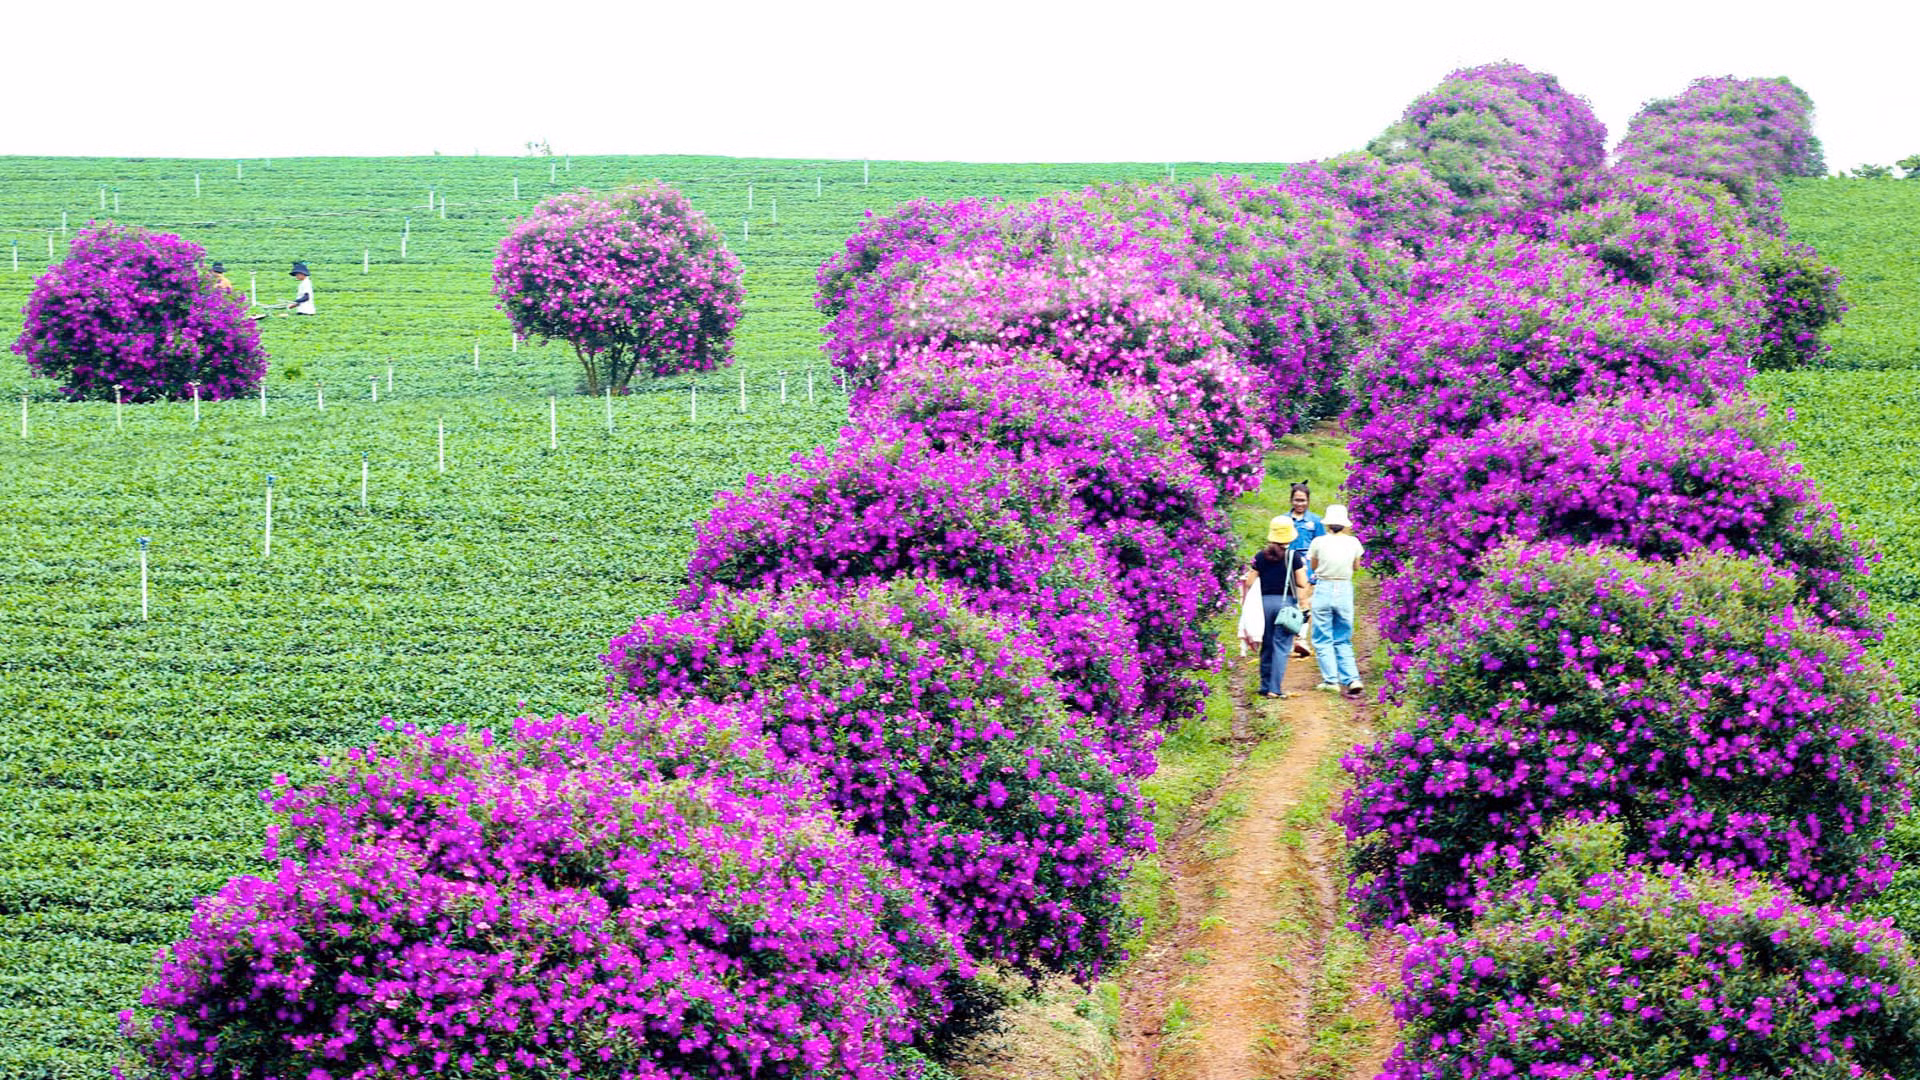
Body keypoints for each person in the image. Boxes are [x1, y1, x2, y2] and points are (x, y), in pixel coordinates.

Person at [1242, 516, 1309, 700]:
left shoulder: (1260, 556)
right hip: (1284, 605)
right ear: (1290, 537)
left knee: (1267, 645)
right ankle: (1275, 688)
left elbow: (1249, 581)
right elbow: (1302, 583)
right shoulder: (1293, 557)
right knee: (1281, 646)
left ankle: (1264, 686)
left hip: (1263, 605)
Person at [1306, 503, 1366, 699]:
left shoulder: (1318, 542)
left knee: (1323, 636)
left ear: (1327, 524)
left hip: (1324, 587)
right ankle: (1352, 679)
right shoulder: (1354, 543)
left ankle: (1330, 680)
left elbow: (1314, 566)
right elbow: (1356, 567)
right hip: (1344, 589)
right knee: (1343, 637)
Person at [1285, 482, 1327, 661]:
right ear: (1291, 500)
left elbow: (1321, 545)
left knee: (1303, 601)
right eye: (1296, 500)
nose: (1300, 504)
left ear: (1308, 501)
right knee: (1288, 602)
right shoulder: (1284, 520)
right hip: (1286, 563)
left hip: (1306, 564)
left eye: (1303, 500)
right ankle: (1289, 638)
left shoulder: (1316, 521)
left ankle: (1301, 638)